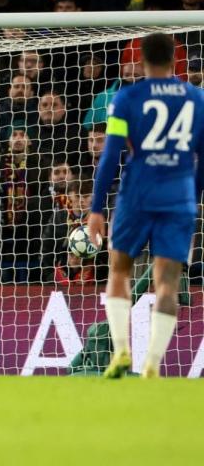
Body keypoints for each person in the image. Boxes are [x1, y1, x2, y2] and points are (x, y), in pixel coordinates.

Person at [89, 33, 204, 379]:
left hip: (137, 193)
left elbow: (111, 155)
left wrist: (97, 208)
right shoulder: (196, 98)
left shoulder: (127, 97)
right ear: (175, 60)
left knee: (119, 271)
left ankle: (121, 351)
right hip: (178, 196)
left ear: (140, 61)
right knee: (167, 281)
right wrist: (193, 192)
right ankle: (152, 362)